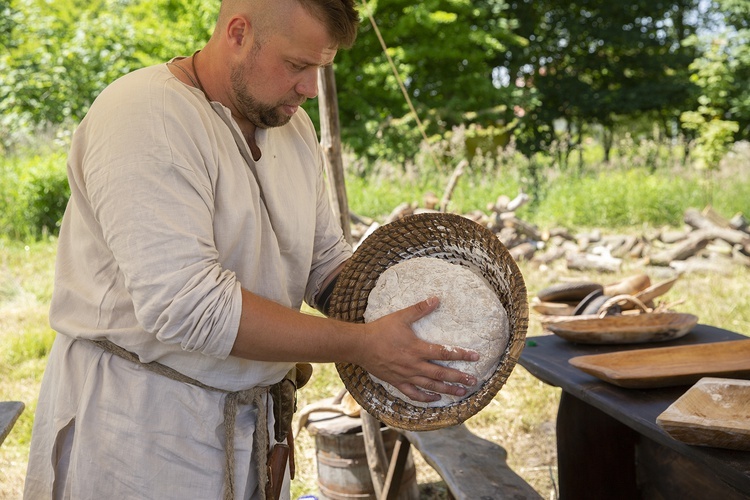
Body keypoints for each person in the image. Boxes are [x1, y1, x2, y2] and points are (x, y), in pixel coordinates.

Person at [23, 1, 480, 499]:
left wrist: (418, 321)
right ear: (237, 32)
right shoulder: (145, 116)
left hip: (250, 421)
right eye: (297, 65)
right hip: (141, 429)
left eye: (319, 69)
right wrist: (362, 344)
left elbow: (323, 262)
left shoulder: (294, 128)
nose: (309, 88)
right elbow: (189, 307)